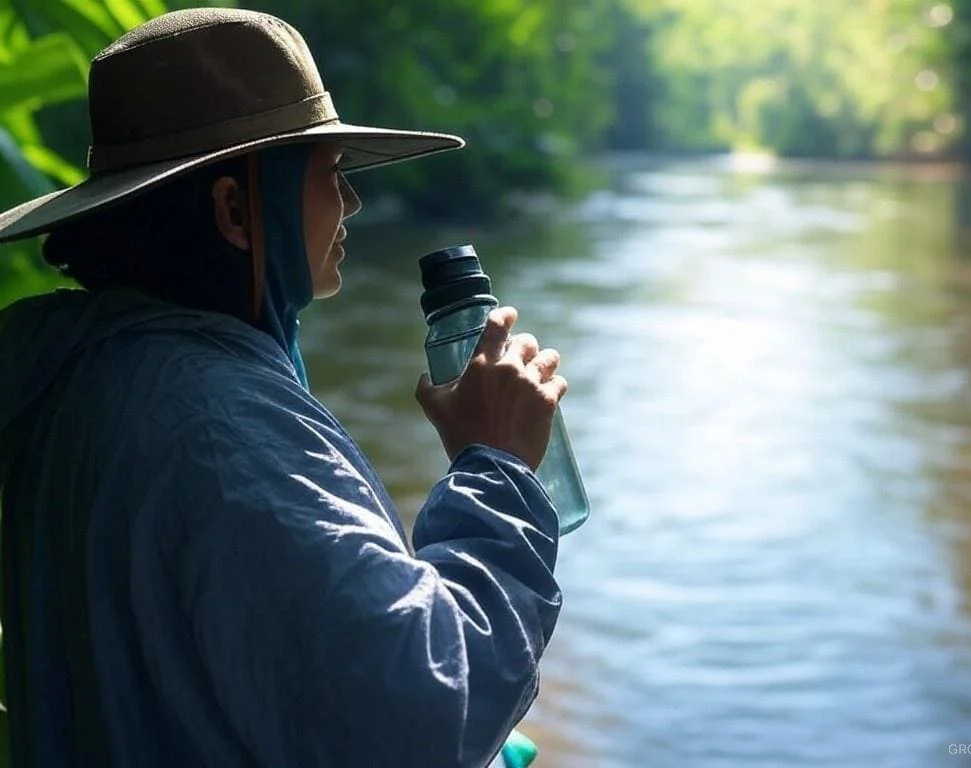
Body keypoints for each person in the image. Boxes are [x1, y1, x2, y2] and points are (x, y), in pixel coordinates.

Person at [0, 8, 567, 767]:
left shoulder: (80, 374)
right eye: (331, 176)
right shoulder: (220, 429)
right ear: (237, 210)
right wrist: (496, 470)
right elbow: (424, 715)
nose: (353, 205)